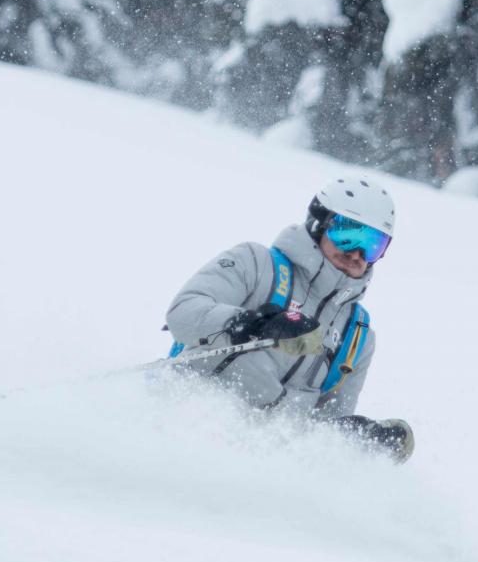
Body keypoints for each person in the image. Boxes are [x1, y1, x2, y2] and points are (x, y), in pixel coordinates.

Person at [164, 176, 414, 462]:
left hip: (256, 466)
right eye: (348, 235)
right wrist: (252, 323)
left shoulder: (357, 335)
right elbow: (182, 313)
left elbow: (319, 441)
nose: (357, 254)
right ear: (319, 224)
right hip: (181, 425)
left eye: (373, 245)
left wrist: (355, 438)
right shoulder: (256, 263)